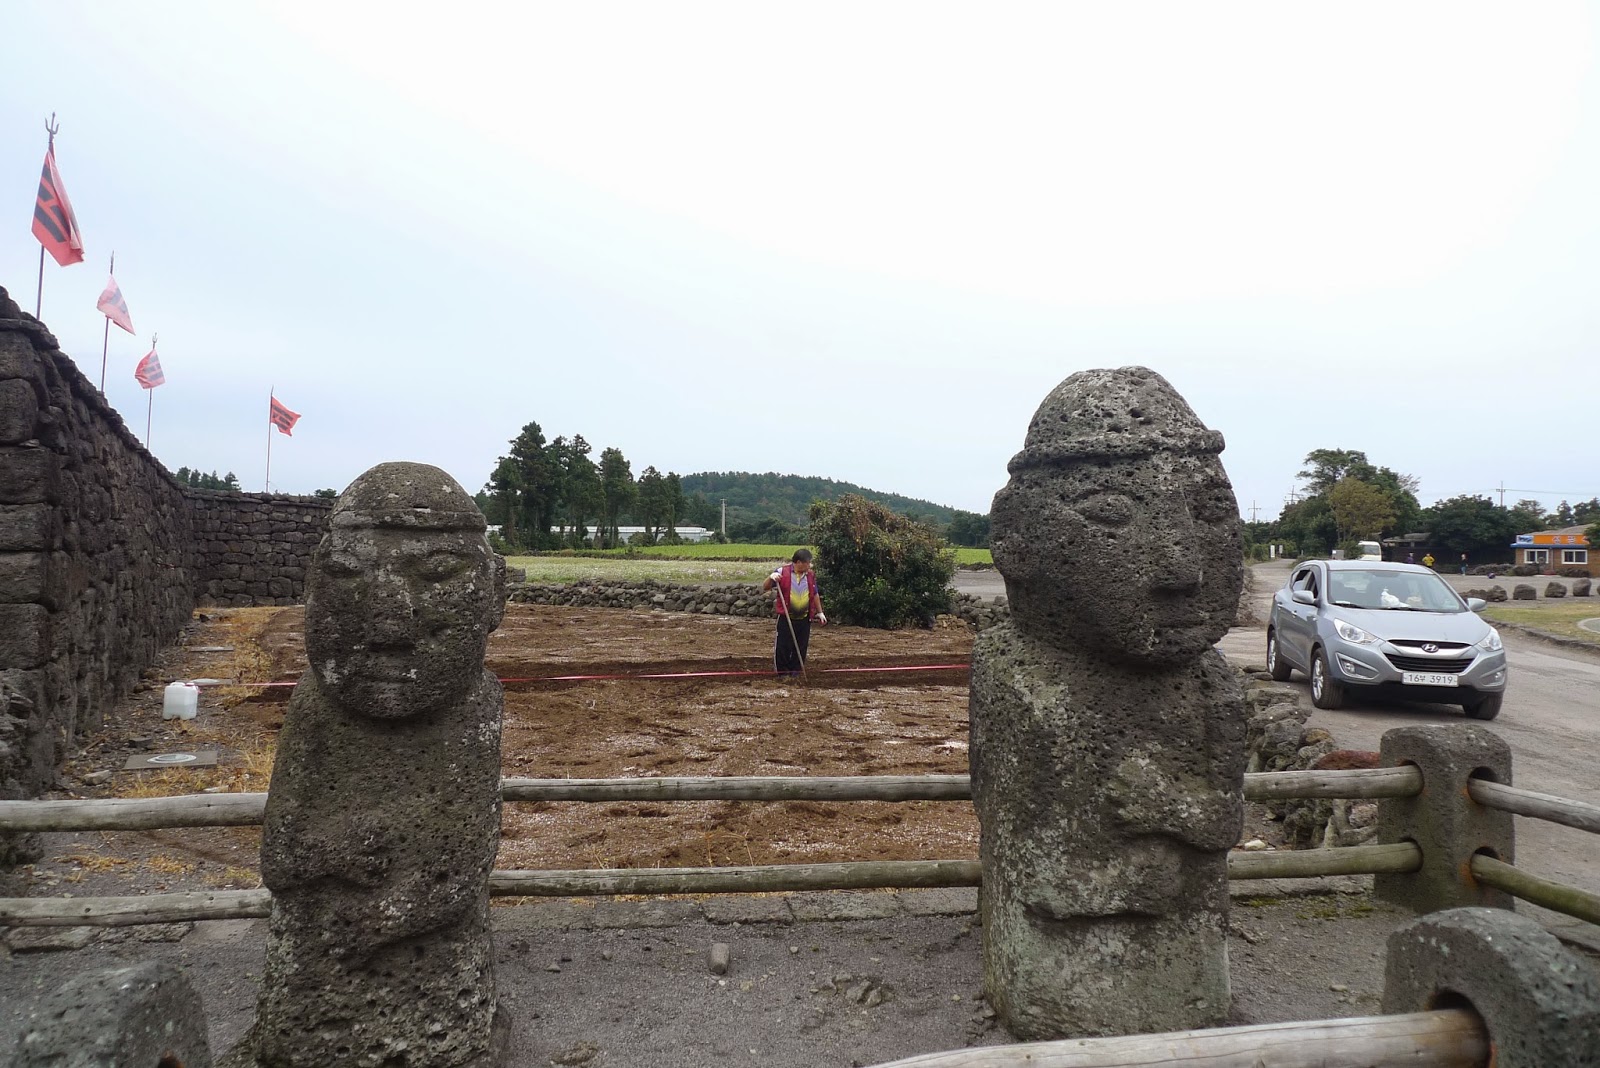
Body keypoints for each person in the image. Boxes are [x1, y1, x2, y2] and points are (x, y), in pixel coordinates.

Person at [763, 548, 826, 677]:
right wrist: (771, 577)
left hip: (804, 618)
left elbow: (814, 594)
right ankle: (782, 672)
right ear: (798, 562)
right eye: (807, 563)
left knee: (801, 646)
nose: (809, 565)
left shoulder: (810, 575)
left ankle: (796, 671)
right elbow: (766, 587)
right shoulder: (782, 572)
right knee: (783, 646)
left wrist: (820, 612)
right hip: (786, 617)